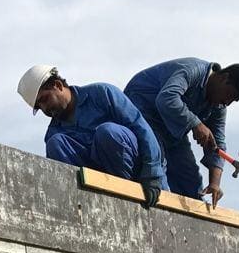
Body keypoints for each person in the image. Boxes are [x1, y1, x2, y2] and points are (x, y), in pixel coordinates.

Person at [17, 64, 167, 208]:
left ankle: (129, 189)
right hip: (103, 189)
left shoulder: (102, 94)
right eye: (39, 107)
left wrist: (153, 175)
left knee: (107, 132)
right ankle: (87, 201)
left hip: (142, 177)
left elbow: (142, 128)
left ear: (58, 85)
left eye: (44, 99)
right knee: (55, 143)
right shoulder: (54, 133)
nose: (44, 108)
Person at [124, 59, 239, 206]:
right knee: (158, 173)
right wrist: (196, 124)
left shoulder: (218, 105)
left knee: (192, 184)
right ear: (224, 78)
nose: (227, 102)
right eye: (229, 94)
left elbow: (217, 143)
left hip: (170, 134)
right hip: (142, 115)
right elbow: (167, 98)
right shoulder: (192, 70)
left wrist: (214, 184)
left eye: (233, 100)